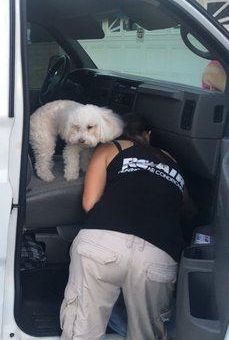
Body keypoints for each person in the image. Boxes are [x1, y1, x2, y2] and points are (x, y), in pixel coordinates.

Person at [60, 113, 189, 340]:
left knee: (82, 329)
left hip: (103, 242)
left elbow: (90, 203)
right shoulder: (170, 159)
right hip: (158, 254)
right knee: (147, 333)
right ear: (148, 135)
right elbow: (188, 210)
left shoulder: (111, 148)